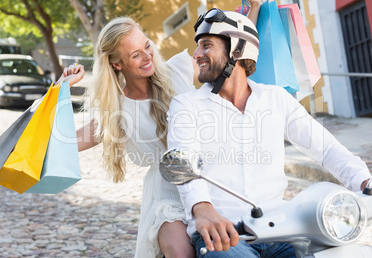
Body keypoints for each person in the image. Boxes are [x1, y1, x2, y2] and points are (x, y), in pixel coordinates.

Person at [166, 8, 372, 257]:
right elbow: (182, 159)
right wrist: (201, 207)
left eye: (206, 45)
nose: (196, 55)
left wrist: (364, 180)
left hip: (280, 229)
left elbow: (325, 148)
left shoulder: (276, 99)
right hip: (221, 233)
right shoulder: (186, 105)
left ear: (237, 50)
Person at [56, 2, 262, 257]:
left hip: (212, 181)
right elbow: (63, 142)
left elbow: (232, 53)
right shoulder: (116, 110)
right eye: (135, 55)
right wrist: (59, 91)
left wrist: (255, 8)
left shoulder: (179, 68)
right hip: (167, 195)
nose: (147, 56)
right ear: (117, 64)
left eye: (147, 46)